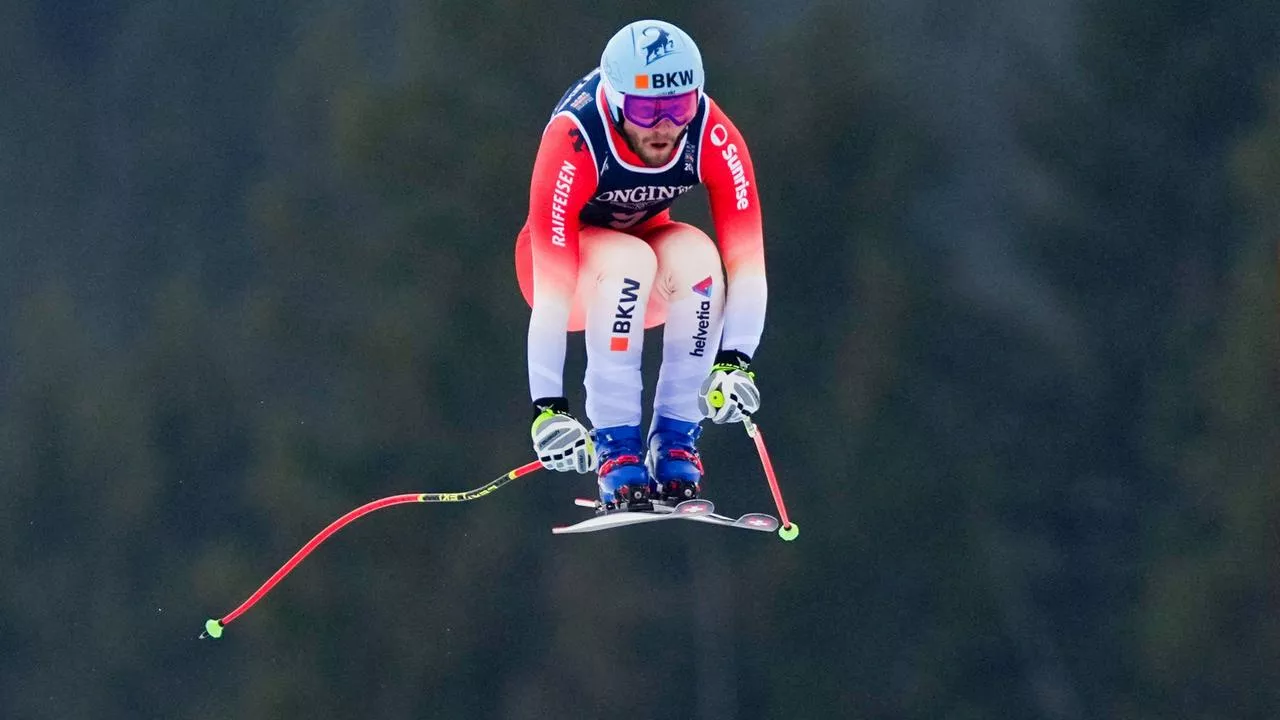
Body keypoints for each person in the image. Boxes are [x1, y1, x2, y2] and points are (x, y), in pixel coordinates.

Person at [515, 19, 766, 512]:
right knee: (629, 260)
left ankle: (676, 440)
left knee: (698, 258)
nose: (665, 126)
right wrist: (548, 411)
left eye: (677, 107)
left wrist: (736, 364)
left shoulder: (711, 132)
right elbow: (551, 296)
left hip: (645, 271)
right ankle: (617, 449)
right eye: (646, 110)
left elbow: (749, 266)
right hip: (569, 279)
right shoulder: (576, 135)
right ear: (613, 103)